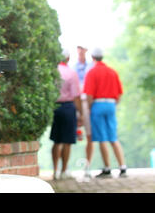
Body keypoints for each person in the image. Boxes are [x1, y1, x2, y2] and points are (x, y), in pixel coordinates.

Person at [83, 47, 127, 178]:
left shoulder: (92, 72)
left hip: (98, 104)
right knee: (113, 137)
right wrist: (113, 104)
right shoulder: (112, 72)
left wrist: (90, 107)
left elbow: (89, 94)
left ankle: (107, 168)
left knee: (102, 137)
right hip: (111, 104)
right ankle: (122, 167)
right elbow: (119, 94)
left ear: (93, 58)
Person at [50, 48, 83, 180]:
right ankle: (64, 171)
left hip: (56, 107)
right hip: (68, 107)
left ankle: (55, 171)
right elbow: (76, 96)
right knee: (67, 140)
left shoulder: (53, 72)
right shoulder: (71, 73)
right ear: (68, 58)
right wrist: (80, 113)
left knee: (56, 140)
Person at [73, 45, 93, 176]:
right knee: (71, 135)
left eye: (82, 48)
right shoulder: (73, 68)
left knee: (90, 136)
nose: (80, 50)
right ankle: (63, 169)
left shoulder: (90, 67)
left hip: (88, 102)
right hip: (76, 102)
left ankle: (87, 166)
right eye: (78, 48)